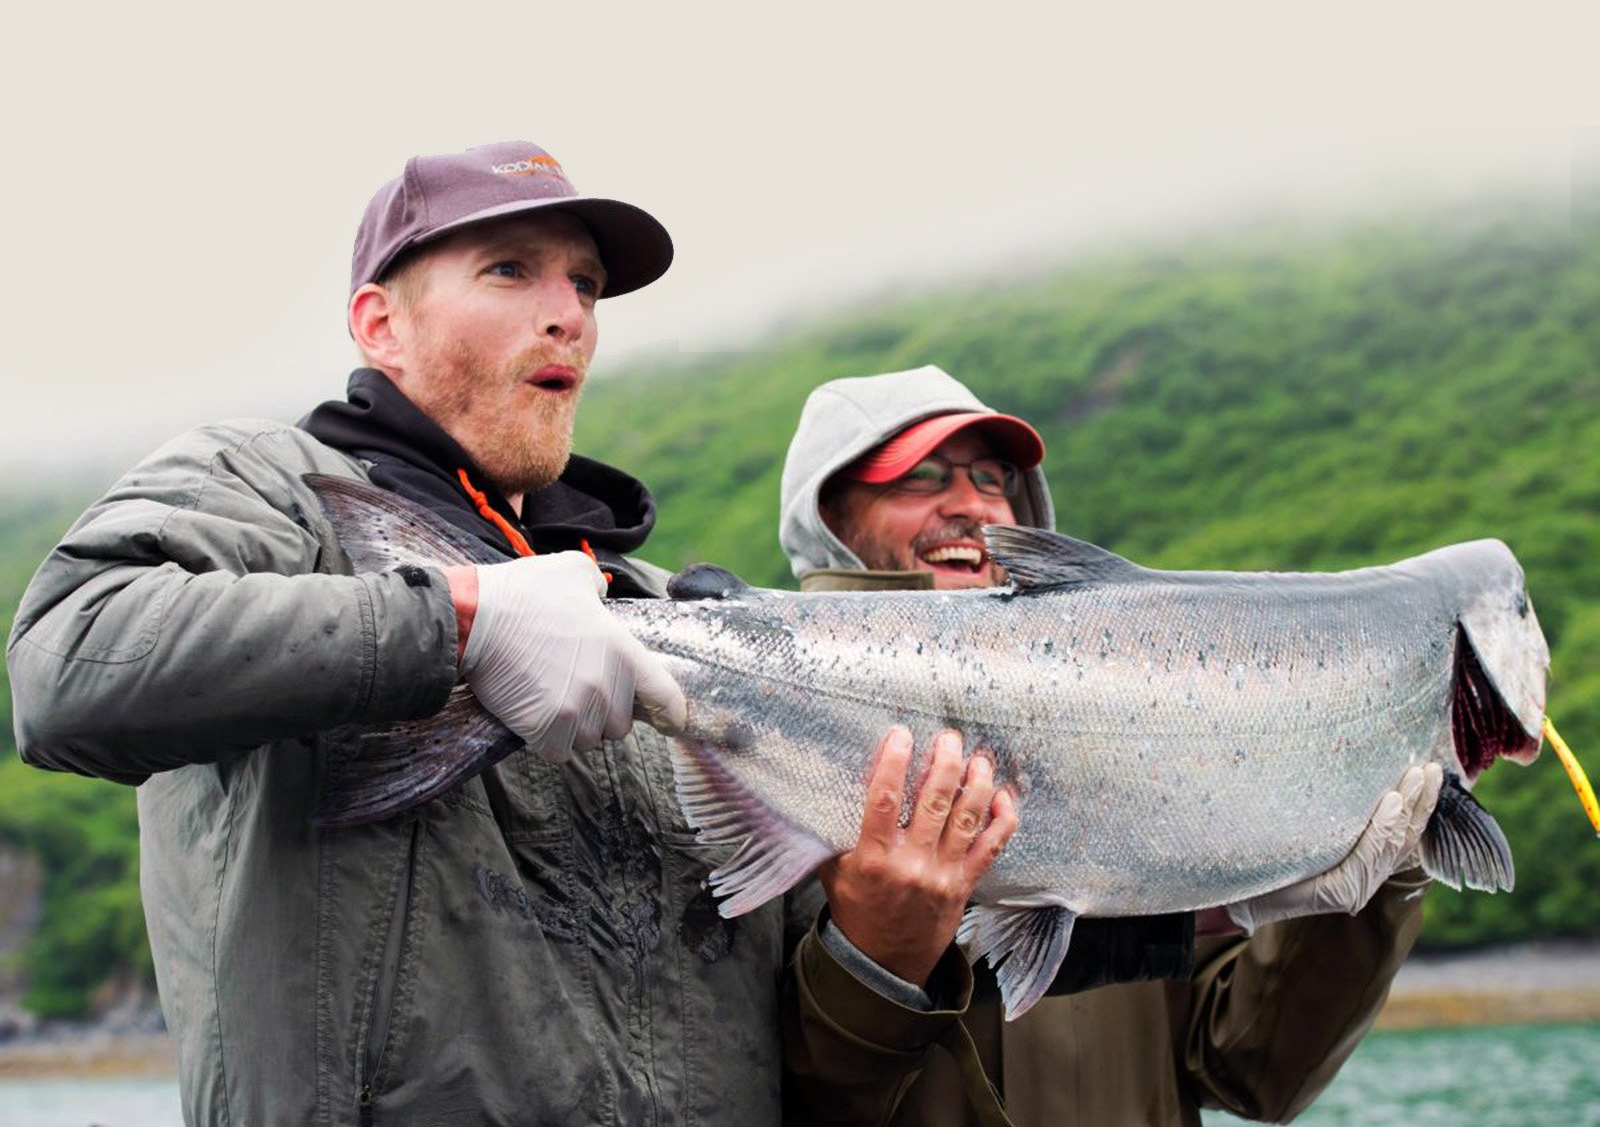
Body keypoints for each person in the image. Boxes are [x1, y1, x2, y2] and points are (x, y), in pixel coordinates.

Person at [6, 143, 1015, 1127]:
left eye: (585, 285)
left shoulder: (669, 615)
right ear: (380, 324)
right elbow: (64, 658)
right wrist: (455, 620)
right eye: (510, 270)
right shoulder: (265, 485)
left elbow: (818, 1074)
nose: (568, 312)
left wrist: (878, 955)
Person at [779, 364, 1439, 1127]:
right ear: (829, 516)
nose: (970, 504)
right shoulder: (754, 755)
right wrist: (875, 960)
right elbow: (752, 1087)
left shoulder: (1145, 740)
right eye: (920, 477)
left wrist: (1374, 880)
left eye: (994, 480)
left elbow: (1253, 1067)